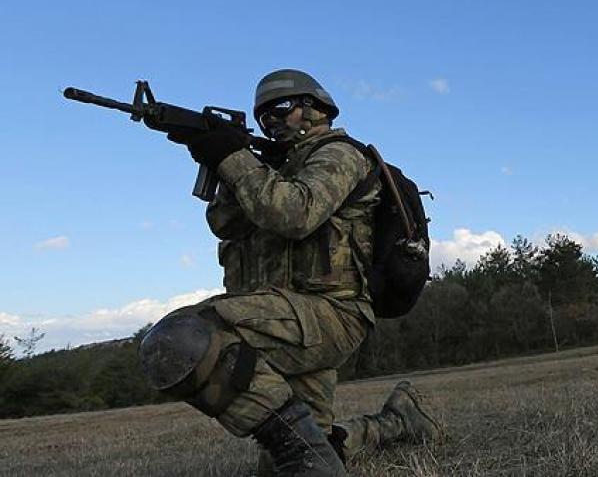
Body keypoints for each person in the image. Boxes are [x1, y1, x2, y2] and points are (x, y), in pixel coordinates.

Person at [137, 69, 441, 476]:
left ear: (315, 108)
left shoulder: (340, 155)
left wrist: (233, 156)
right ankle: (398, 423)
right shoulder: (272, 170)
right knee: (299, 454)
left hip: (330, 313)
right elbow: (226, 224)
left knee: (182, 338)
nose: (272, 120)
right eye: (263, 116)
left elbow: (294, 213)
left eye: (281, 108)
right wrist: (224, 157)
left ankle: (306, 455)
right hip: (287, 315)